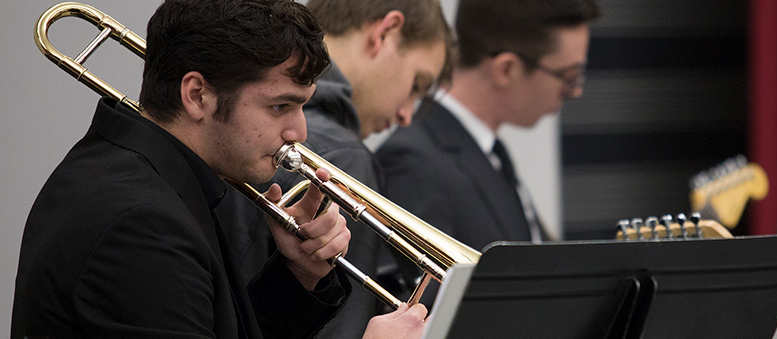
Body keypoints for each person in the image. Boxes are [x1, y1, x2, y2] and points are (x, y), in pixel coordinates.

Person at [12, 0, 425, 338]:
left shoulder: (149, 178)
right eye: (280, 105)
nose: (299, 130)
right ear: (197, 95)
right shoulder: (141, 222)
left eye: (302, 105)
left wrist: (296, 276)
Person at [215, 0, 448, 337]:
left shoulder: (232, 130)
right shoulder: (344, 157)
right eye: (416, 85)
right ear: (385, 32)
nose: (406, 116)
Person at [375, 0, 601, 253]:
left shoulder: (488, 151)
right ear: (507, 69)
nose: (576, 91)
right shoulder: (413, 162)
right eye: (569, 76)